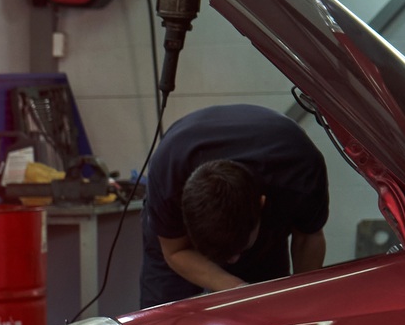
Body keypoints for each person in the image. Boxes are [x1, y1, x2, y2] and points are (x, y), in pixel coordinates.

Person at [138, 103, 328, 307]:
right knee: (165, 319)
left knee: (268, 308)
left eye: (239, 249)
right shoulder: (169, 176)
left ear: (261, 204)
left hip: (267, 219)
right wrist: (235, 287)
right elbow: (175, 251)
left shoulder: (300, 170)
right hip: (181, 244)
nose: (232, 261)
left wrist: (302, 301)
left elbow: (308, 238)